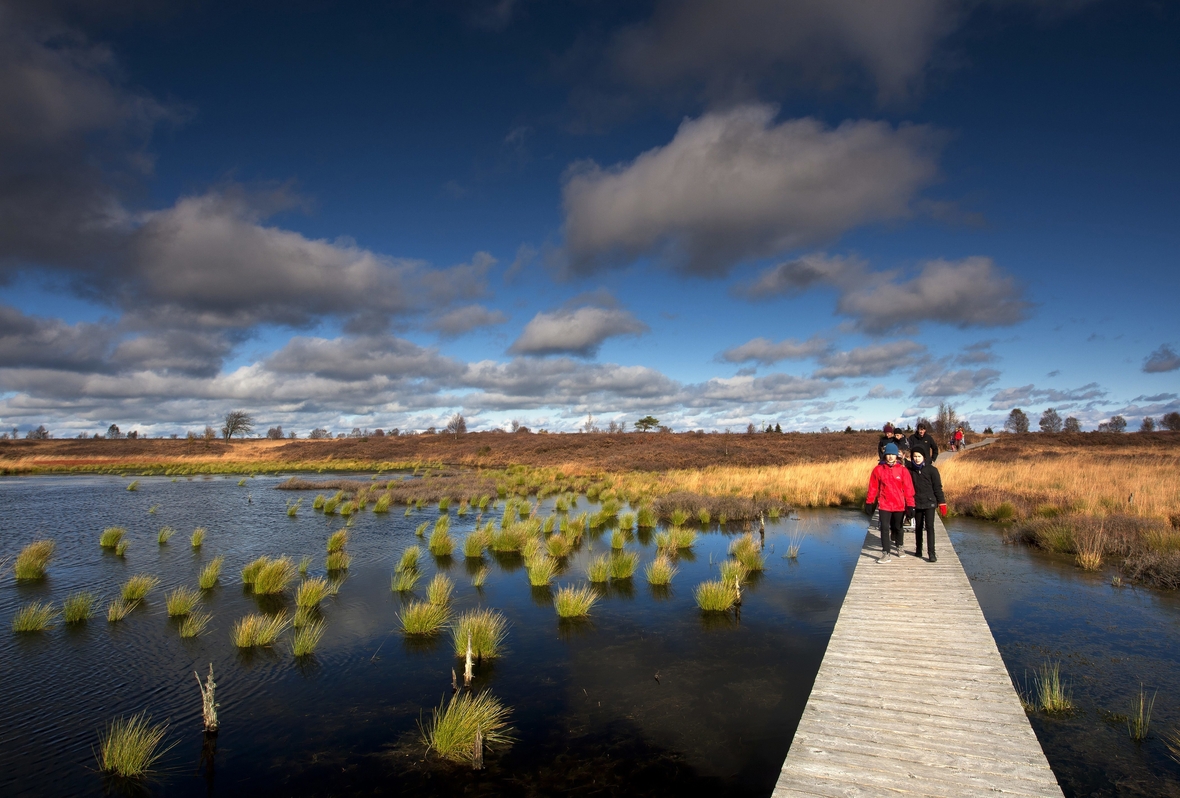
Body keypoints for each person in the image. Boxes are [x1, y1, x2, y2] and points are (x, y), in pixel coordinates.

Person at [865, 442, 914, 563]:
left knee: (898, 527)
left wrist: (911, 505)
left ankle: (899, 546)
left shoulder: (903, 471)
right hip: (884, 504)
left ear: (897, 456)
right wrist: (869, 502)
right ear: (884, 456)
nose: (891, 457)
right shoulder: (878, 470)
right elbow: (873, 487)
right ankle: (886, 553)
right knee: (885, 528)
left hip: (899, 505)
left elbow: (908, 489)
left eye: (893, 454)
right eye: (888, 454)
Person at [907, 450, 947, 562]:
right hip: (917, 503)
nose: (917, 458)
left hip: (930, 503)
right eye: (914, 456)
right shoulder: (910, 471)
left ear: (924, 457)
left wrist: (942, 503)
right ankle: (918, 550)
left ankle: (931, 553)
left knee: (929, 527)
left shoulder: (932, 470)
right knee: (918, 527)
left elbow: (938, 488)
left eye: (919, 456)